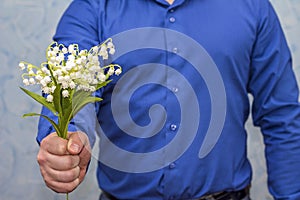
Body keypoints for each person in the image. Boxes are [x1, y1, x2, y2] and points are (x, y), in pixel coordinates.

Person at [36, 0, 300, 199]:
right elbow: (70, 83)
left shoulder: (252, 6)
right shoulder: (91, 8)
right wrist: (69, 137)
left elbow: (282, 116)